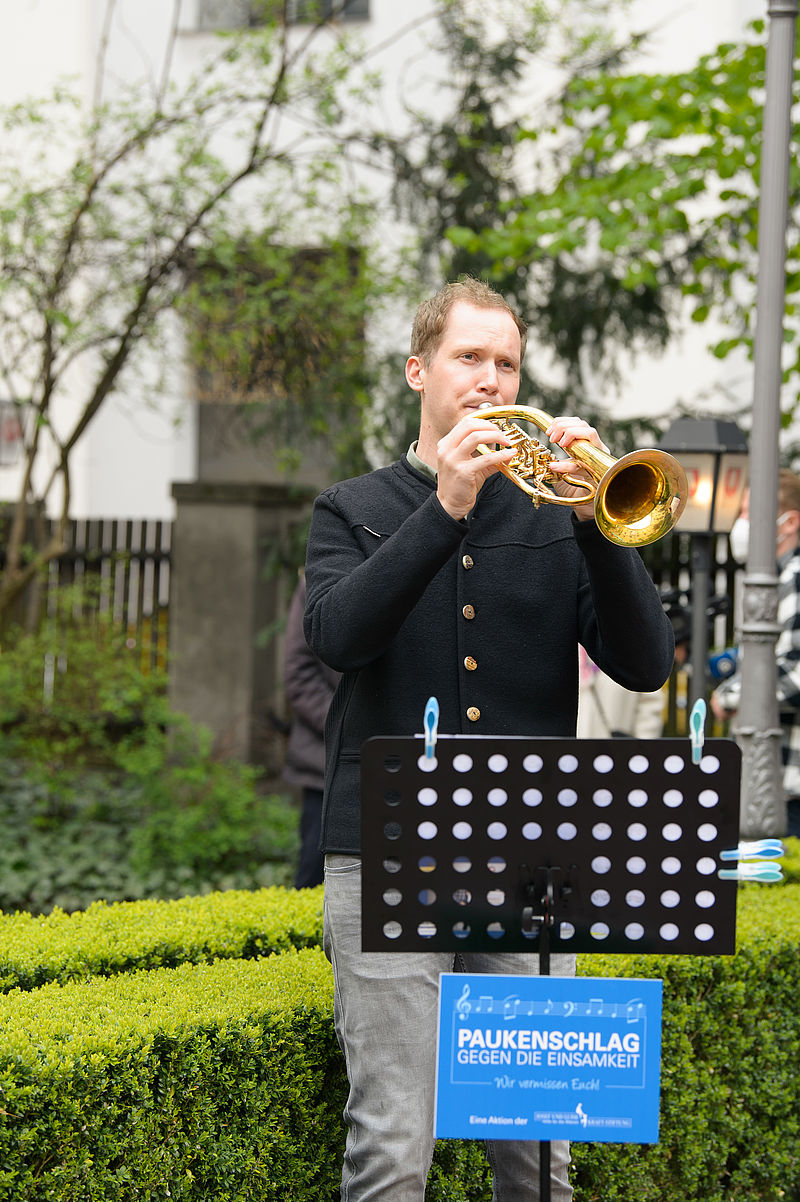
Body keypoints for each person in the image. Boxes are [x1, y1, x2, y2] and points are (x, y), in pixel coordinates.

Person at [303, 277, 675, 1201]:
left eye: (506, 363)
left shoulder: (557, 515)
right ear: (417, 370)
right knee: (394, 1142)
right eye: (468, 357)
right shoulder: (352, 507)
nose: (490, 378)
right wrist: (446, 506)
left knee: (539, 1148)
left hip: (531, 854)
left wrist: (596, 528)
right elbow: (338, 637)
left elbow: (645, 666)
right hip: (385, 848)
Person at [711, 470, 800, 838]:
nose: (742, 522)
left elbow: (795, 675)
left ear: (789, 522)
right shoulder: (781, 578)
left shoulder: (795, 575)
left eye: (751, 513)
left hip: (789, 783)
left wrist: (729, 696)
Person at [282, 571, 340, 888]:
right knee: (314, 880)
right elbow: (298, 674)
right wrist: (346, 722)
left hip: (399, 761)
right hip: (324, 767)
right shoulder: (315, 581)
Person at [576, 646, 665, 738]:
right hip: (574, 743)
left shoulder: (635, 648)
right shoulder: (571, 647)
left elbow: (649, 705)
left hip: (617, 743)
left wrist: (641, 744)